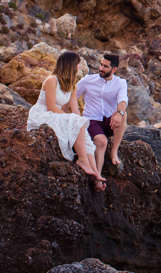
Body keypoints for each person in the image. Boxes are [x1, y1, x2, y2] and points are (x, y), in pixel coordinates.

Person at [27, 51, 107, 191]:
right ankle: (82, 160)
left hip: (56, 115)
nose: (79, 67)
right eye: (77, 64)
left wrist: (79, 122)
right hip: (43, 114)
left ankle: (96, 176)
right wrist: (73, 120)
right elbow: (51, 107)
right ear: (71, 65)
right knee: (76, 122)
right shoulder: (52, 80)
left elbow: (75, 111)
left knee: (84, 132)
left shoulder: (72, 86)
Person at [76, 54, 128, 178]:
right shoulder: (88, 80)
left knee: (123, 113)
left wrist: (119, 113)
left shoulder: (120, 82)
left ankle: (114, 151)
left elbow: (123, 100)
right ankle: (97, 177)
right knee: (102, 141)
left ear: (113, 69)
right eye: (101, 65)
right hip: (92, 121)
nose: (101, 68)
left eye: (105, 66)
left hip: (109, 122)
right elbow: (72, 96)